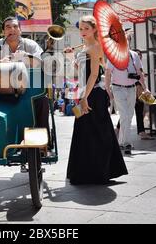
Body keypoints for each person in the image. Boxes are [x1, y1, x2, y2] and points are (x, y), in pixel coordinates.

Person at [66, 15, 128, 185]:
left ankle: (101, 172)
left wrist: (85, 97)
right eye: (80, 29)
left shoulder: (95, 47)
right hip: (85, 92)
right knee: (85, 132)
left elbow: (94, 74)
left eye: (86, 28)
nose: (83, 32)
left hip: (93, 94)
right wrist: (72, 57)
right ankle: (87, 173)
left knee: (99, 133)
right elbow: (78, 72)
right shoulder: (85, 48)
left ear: (94, 29)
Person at [0, 16, 49, 138]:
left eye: (15, 27)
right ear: (3, 32)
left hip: (28, 90)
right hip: (2, 91)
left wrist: (26, 58)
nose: (12, 30)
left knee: (42, 101)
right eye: (8, 27)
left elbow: (42, 62)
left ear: (20, 30)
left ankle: (43, 143)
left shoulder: (30, 44)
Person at [105, 34, 149, 155]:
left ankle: (120, 142)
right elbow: (108, 74)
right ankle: (127, 143)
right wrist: (108, 90)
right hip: (117, 88)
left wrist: (145, 88)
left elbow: (140, 73)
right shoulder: (113, 56)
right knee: (124, 115)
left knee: (128, 116)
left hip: (131, 88)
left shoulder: (134, 55)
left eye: (127, 40)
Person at [116, 49, 154, 140]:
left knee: (133, 112)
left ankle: (119, 130)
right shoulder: (132, 64)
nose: (139, 56)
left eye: (140, 55)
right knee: (134, 112)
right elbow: (132, 78)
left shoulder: (137, 64)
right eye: (138, 55)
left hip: (139, 91)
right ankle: (140, 132)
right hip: (136, 91)